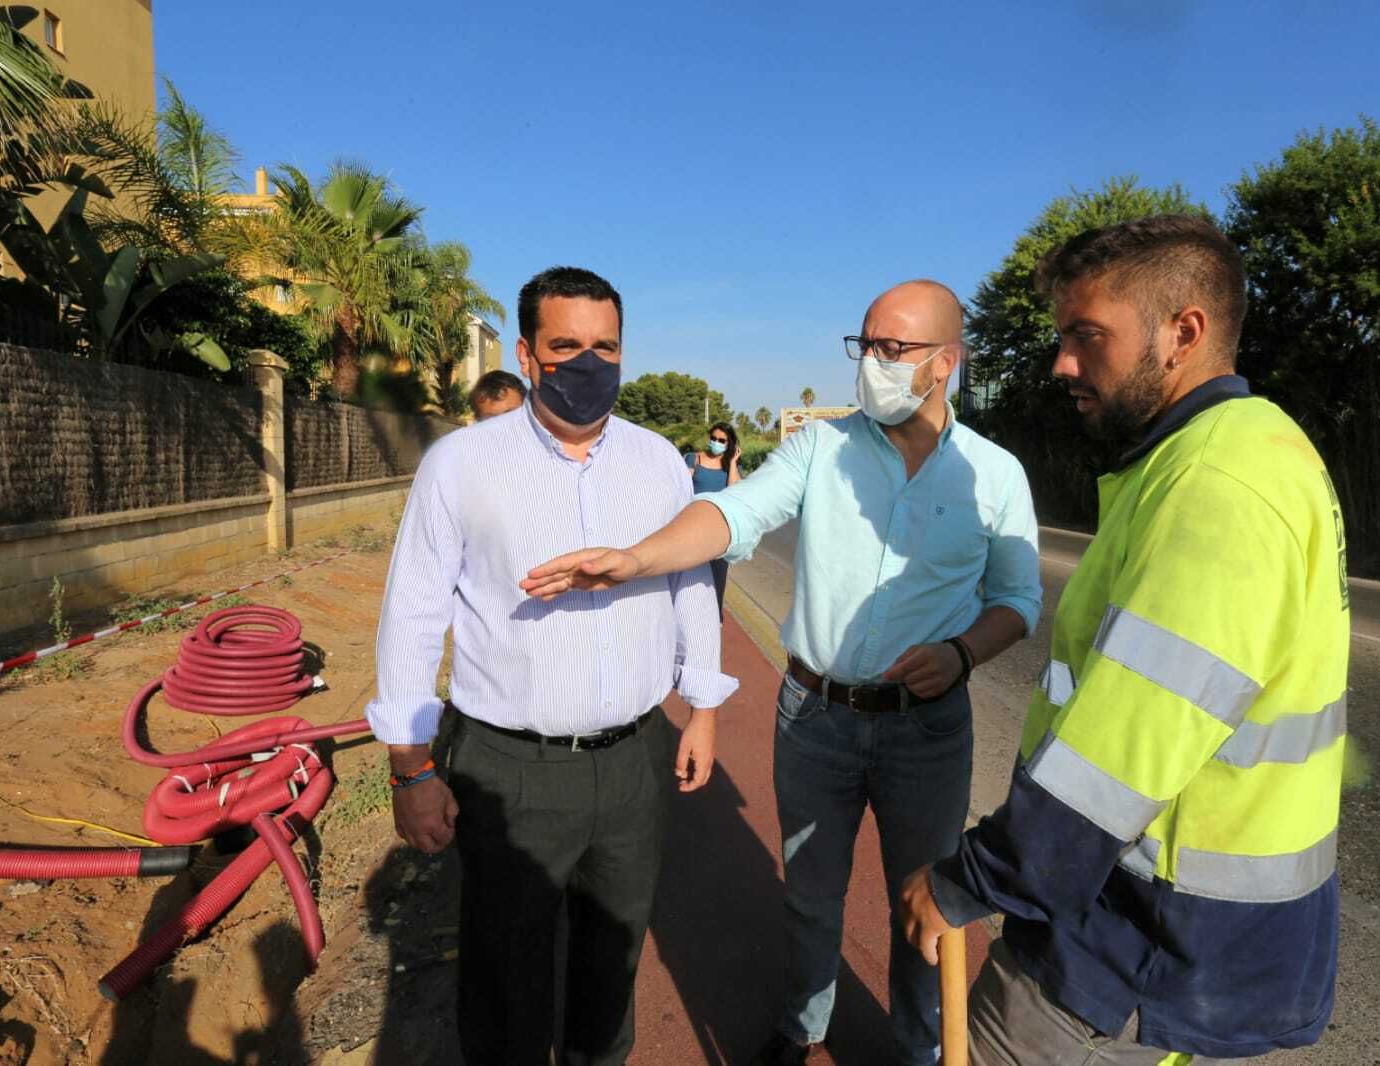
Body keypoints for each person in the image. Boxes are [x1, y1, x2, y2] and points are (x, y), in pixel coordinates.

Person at [523, 280, 1043, 1066]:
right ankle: (803, 1026)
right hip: (815, 720)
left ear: (947, 362)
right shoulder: (821, 449)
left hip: (928, 732)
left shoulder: (994, 475)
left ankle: (919, 1045)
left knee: (927, 900)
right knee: (810, 897)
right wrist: (637, 557)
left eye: (893, 350)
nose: (872, 364)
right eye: (864, 345)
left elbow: (1017, 601)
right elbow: (736, 513)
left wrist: (964, 652)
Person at [898, 216, 1350, 1066]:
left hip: (1132, 956)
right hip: (1178, 947)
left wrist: (967, 881)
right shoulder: (1242, 450)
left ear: (1184, 332)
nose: (1063, 362)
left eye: (1087, 336)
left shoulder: (1215, 483)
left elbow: (1120, 752)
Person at [366, 265, 737, 1066]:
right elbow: (414, 612)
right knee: (505, 974)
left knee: (613, 962)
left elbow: (691, 589)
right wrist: (409, 766)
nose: (588, 364)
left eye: (605, 347)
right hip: (511, 769)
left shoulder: (657, 463)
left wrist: (702, 706)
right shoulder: (463, 464)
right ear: (529, 356)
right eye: (566, 346)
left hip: (634, 758)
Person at [684, 420, 742, 614]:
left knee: (717, 579)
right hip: (692, 527)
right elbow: (681, 487)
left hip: (719, 530)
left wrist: (733, 462)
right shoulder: (694, 459)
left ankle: (716, 620)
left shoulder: (730, 467)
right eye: (714, 438)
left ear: (729, 444)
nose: (716, 442)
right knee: (689, 578)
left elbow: (735, 491)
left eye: (722, 440)